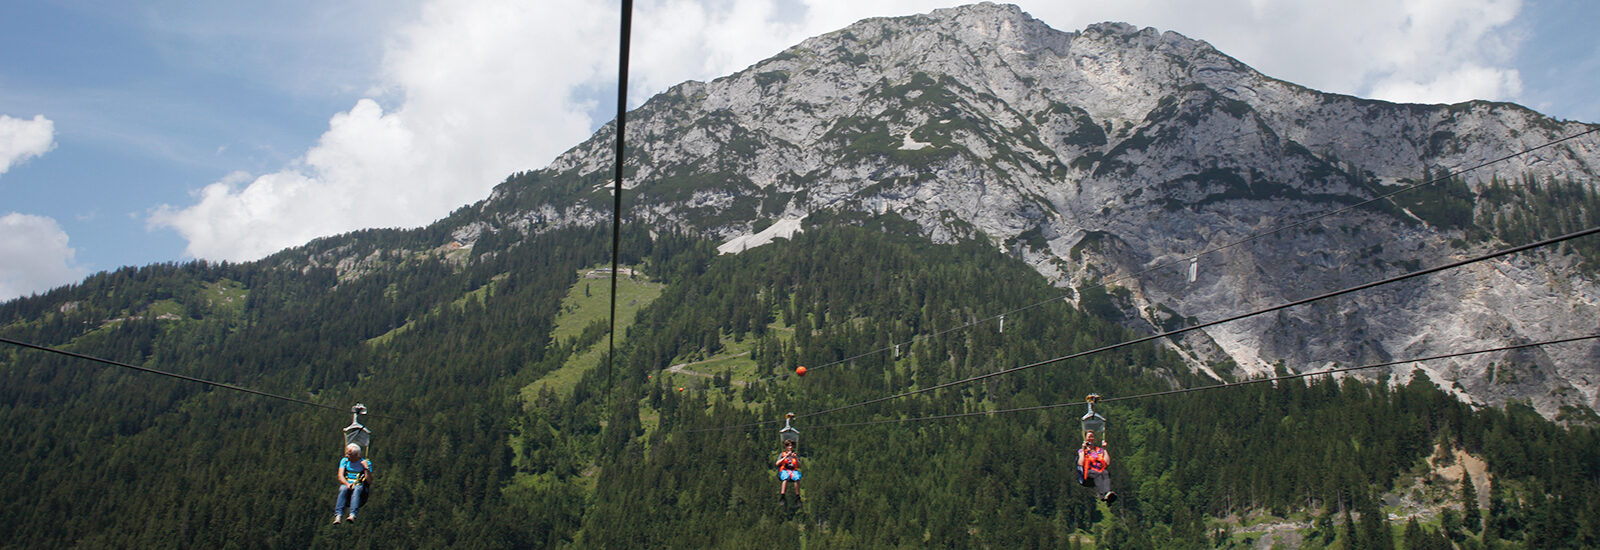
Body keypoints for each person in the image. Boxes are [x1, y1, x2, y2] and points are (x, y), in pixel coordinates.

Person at [333, 443, 374, 524]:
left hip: (359, 485)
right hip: (347, 483)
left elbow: (369, 481)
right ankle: (338, 515)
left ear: (356, 455)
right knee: (342, 489)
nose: (347, 456)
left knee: (357, 489)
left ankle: (352, 514)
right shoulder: (345, 461)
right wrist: (347, 484)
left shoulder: (365, 463)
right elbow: (340, 475)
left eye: (350, 454)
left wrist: (366, 468)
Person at [1077, 431, 1115, 503]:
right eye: (1089, 437)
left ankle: (1107, 493)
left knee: (1105, 472)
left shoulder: (1099, 450)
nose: (1091, 439)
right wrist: (1083, 449)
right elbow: (1080, 463)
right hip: (1088, 473)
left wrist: (1104, 449)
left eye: (1092, 437)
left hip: (1099, 471)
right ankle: (1102, 495)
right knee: (1097, 474)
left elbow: (1107, 462)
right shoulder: (1083, 451)